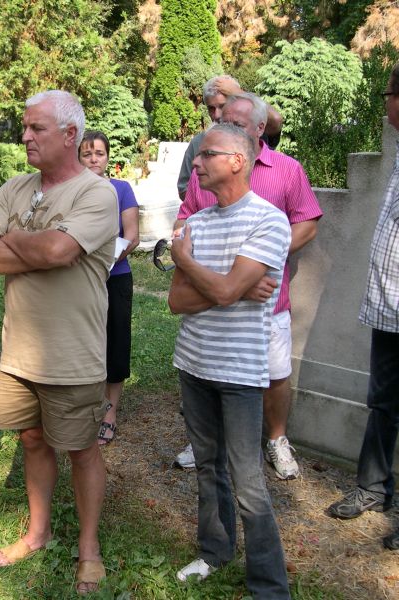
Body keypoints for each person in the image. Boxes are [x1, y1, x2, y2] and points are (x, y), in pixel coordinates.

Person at [0, 90, 118, 595]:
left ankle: (89, 549)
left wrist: (12, 241)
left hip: (73, 354)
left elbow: (58, 250)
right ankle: (39, 532)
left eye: (37, 128)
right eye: (25, 127)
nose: (25, 136)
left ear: (71, 135)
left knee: (81, 449)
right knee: (32, 440)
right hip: (20, 353)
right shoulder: (15, 187)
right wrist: (33, 248)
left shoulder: (96, 193)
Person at [168, 123, 291, 597]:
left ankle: (270, 586)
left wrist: (187, 262)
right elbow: (177, 302)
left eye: (206, 155)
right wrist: (234, 289)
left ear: (237, 161)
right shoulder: (197, 223)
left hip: (240, 372)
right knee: (207, 464)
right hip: (194, 362)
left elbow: (218, 290)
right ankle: (215, 551)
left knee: (248, 480)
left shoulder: (269, 221)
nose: (196, 163)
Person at [175, 92, 322, 478]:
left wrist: (258, 264)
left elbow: (307, 223)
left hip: (267, 299)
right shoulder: (206, 171)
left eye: (236, 123)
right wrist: (232, 277)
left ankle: (276, 439)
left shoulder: (287, 169)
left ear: (259, 128)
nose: (225, 126)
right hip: (212, 299)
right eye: (223, 120)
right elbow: (186, 221)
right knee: (209, 370)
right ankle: (206, 440)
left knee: (274, 373)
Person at [326, 63, 399, 550]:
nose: (385, 103)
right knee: (383, 401)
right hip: (389, 308)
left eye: (387, 94)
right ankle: (373, 487)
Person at [79, 130, 139, 445]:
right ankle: (84, 407)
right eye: (87, 154)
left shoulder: (121, 189)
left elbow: (132, 235)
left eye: (99, 153)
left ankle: (109, 412)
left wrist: (105, 262)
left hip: (114, 277)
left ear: (108, 157)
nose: (93, 159)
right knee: (84, 342)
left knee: (115, 342)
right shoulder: (71, 191)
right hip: (79, 280)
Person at [177, 76, 283, 200]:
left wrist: (239, 93)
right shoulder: (198, 142)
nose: (216, 115)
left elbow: (276, 119)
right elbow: (184, 188)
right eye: (211, 108)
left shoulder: (253, 135)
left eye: (222, 106)